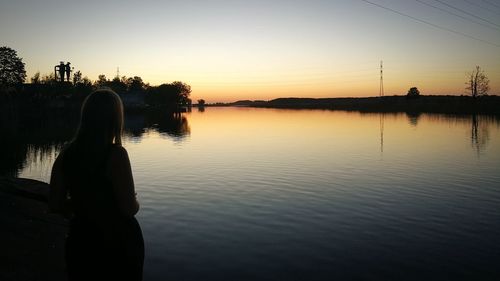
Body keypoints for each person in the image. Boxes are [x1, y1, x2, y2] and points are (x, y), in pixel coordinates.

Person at [49, 89, 144, 281]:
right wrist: (135, 201)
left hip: (81, 240)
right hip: (118, 244)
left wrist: (83, 206)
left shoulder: (66, 155)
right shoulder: (116, 155)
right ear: (115, 120)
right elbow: (128, 209)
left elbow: (54, 204)